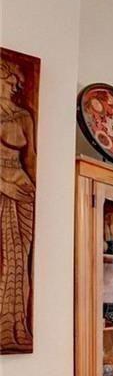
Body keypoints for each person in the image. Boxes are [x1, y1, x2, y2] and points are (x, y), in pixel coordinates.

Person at [0, 57, 37, 352]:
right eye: (7, 78)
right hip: (3, 187)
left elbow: (32, 159)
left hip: (23, 189)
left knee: (20, 258)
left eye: (13, 79)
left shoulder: (24, 115)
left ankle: (17, 326)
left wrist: (33, 191)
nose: (11, 84)